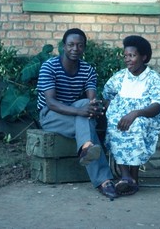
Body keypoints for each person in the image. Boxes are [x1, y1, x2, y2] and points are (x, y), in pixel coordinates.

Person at [37, 28, 117, 199]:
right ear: (63, 46)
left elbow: (91, 99)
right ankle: (104, 181)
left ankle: (86, 147)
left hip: (74, 112)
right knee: (84, 115)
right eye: (71, 45)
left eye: (79, 46)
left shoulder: (87, 69)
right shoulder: (49, 67)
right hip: (50, 115)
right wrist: (82, 111)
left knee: (86, 106)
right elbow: (51, 103)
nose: (75, 49)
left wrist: (93, 107)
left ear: (84, 48)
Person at [103, 35, 160, 196]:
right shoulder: (120, 77)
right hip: (124, 117)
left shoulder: (153, 79)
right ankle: (127, 177)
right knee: (116, 123)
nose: (127, 59)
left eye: (132, 55)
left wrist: (136, 113)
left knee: (135, 124)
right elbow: (107, 94)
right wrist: (113, 109)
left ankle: (132, 177)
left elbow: (157, 106)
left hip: (148, 118)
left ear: (143, 57)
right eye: (125, 56)